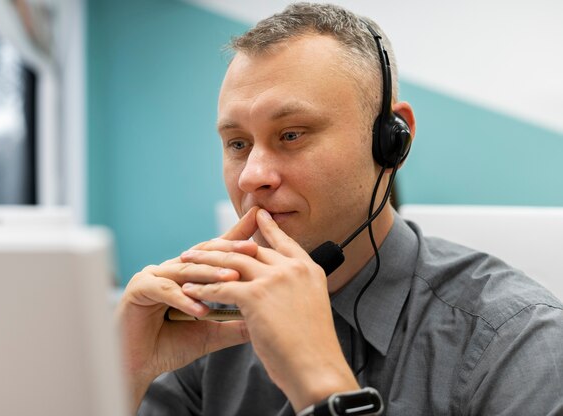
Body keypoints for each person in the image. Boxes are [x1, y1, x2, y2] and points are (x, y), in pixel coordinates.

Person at [117, 3, 563, 415]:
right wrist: (123, 376)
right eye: (238, 143)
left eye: (291, 134)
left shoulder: (517, 341)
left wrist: (325, 391)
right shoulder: (208, 322)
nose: (251, 176)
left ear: (392, 139)